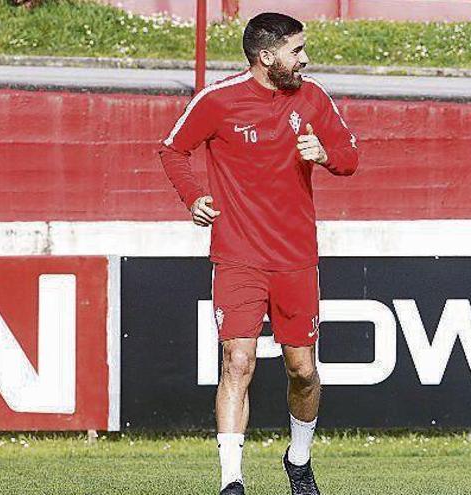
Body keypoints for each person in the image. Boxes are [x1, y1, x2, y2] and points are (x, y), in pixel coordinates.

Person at [159, 12, 359, 495]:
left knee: (303, 370)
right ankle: (232, 482)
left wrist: (324, 156)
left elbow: (350, 158)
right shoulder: (218, 100)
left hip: (295, 258)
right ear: (267, 58)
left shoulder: (312, 97)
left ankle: (299, 459)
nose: (305, 59)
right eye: (296, 51)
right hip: (237, 256)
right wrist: (194, 197)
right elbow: (172, 149)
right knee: (238, 362)